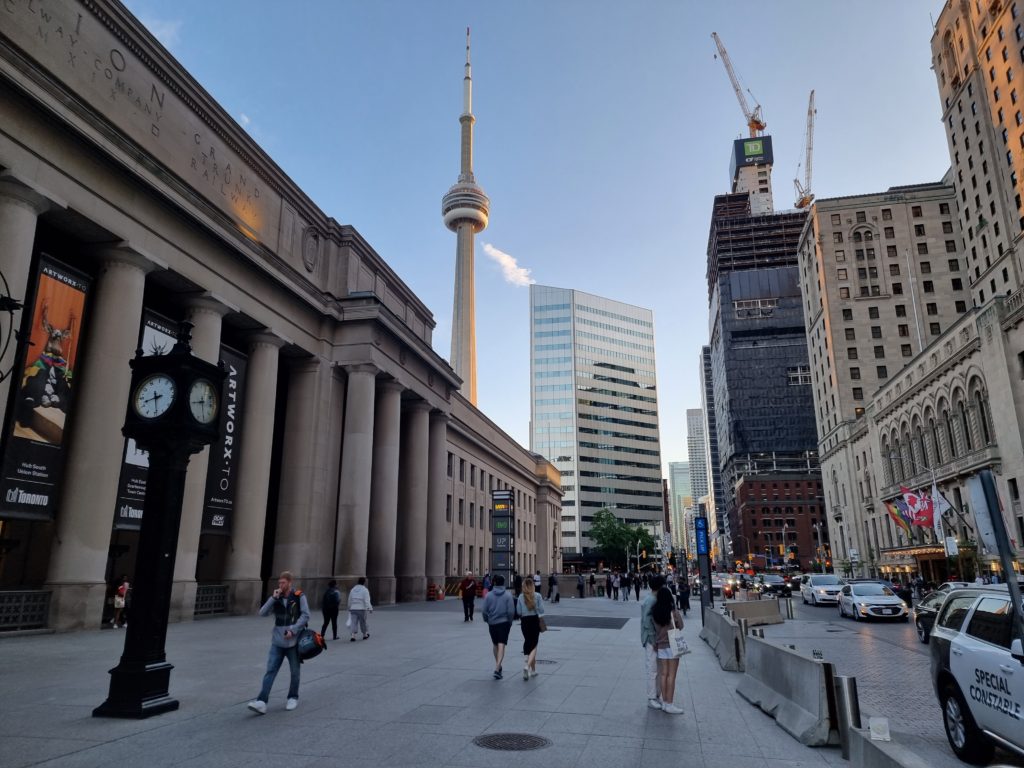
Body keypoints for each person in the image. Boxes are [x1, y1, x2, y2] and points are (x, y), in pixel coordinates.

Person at [248, 571, 310, 714]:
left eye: (283, 583)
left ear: (289, 582)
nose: (280, 585)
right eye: (279, 583)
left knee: (295, 671)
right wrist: (272, 598)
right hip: (277, 641)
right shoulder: (276, 597)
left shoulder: (299, 596)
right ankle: (262, 701)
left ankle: (293, 697)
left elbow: (306, 615)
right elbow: (262, 613)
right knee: (270, 670)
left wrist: (293, 630)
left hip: (293, 641)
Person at [651, 585, 685, 715]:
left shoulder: (655, 611)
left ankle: (664, 702)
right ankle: (669, 703)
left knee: (663, 674)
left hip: (661, 645)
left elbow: (655, 629)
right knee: (672, 675)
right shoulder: (673, 611)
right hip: (672, 645)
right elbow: (681, 626)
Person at [482, 574, 515, 679]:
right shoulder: (508, 595)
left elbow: (484, 611)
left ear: (494, 583)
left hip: (492, 623)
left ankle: (498, 666)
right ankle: (497, 668)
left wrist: (487, 620)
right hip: (504, 622)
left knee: (495, 644)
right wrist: (510, 622)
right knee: (502, 644)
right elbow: (511, 611)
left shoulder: (489, 595)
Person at [641, 575, 665, 710]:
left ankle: (657, 694)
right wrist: (652, 638)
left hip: (656, 638)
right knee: (652, 669)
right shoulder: (651, 600)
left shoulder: (655, 599)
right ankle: (652, 697)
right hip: (652, 639)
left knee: (658, 668)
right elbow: (646, 621)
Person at [517, 578, 545, 680]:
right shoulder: (537, 596)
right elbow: (542, 610)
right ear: (533, 585)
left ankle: (533, 671)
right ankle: (527, 666)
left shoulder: (520, 596)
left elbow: (518, 611)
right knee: (534, 645)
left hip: (524, 621)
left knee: (528, 641)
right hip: (534, 620)